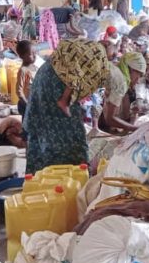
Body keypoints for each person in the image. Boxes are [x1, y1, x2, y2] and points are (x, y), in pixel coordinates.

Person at [24, 40, 109, 173]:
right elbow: (74, 132)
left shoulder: (57, 63)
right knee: (69, 141)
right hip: (57, 87)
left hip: (46, 82)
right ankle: (68, 178)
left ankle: (38, 178)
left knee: (41, 137)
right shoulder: (93, 66)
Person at [52, 39, 110, 118]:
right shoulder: (99, 54)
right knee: (75, 76)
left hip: (59, 59)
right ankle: (63, 101)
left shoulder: (89, 44)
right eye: (113, 55)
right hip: (67, 66)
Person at [100, 52, 146, 133]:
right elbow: (109, 119)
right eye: (139, 75)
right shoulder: (121, 81)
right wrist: (135, 128)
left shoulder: (116, 67)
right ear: (131, 69)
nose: (138, 80)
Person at [15, 40, 37, 118]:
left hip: (34, 102)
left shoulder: (34, 67)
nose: (35, 56)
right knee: (26, 124)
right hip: (26, 104)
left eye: (35, 53)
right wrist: (27, 104)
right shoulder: (23, 70)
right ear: (22, 56)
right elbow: (19, 91)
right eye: (31, 54)